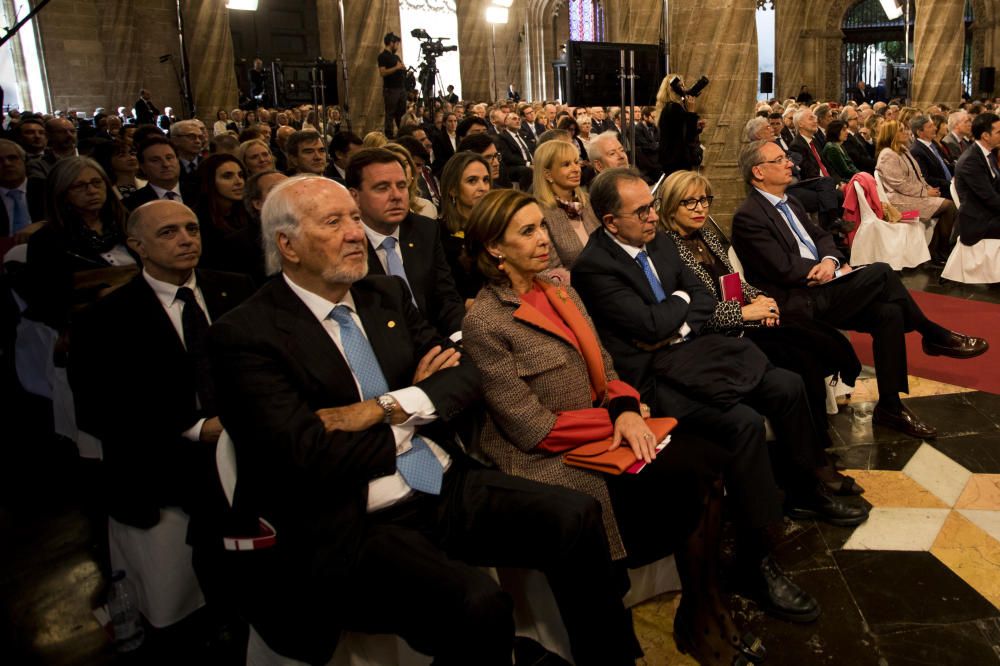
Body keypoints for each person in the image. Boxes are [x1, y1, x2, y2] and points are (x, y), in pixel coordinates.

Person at [206, 174, 640, 666]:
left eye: (353, 217)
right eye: (334, 222)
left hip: (439, 481)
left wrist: (385, 408)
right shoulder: (245, 334)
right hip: (357, 517)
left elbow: (465, 378)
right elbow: (306, 455)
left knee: (577, 515)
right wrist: (417, 403)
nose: (355, 233)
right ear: (287, 245)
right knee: (477, 604)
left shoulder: (384, 295)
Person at [461, 188, 767, 665]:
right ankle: (676, 621)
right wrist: (611, 423)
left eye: (542, 226)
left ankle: (703, 606)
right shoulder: (486, 321)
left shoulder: (558, 289)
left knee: (706, 461)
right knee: (670, 478)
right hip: (551, 459)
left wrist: (624, 409)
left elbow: (606, 366)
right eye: (527, 231)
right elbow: (529, 428)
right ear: (494, 248)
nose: (544, 238)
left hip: (607, 431)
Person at [570, 167, 834, 626]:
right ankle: (756, 559)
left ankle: (805, 484)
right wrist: (675, 314)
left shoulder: (660, 240)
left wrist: (676, 317)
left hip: (698, 352)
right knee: (743, 423)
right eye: (642, 211)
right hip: (655, 378)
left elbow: (701, 301)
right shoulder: (595, 265)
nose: (653, 217)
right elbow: (650, 328)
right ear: (611, 222)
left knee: (786, 383)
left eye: (652, 206)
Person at [69, 200, 255, 631]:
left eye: (192, 228)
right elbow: (99, 408)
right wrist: (193, 428)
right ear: (137, 245)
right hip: (168, 463)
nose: (187, 239)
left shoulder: (236, 288)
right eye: (169, 233)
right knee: (192, 598)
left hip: (246, 450)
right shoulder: (106, 319)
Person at [732, 140, 988, 439]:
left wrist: (829, 260)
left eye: (786, 157)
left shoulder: (791, 201)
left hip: (823, 286)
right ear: (758, 172)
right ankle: (933, 334)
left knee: (889, 312)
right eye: (780, 159)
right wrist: (827, 270)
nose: (790, 162)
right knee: (880, 271)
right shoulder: (749, 216)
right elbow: (781, 267)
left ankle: (890, 407)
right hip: (798, 302)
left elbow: (822, 235)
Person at [658, 169, 863, 494]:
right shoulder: (666, 249)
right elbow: (691, 313)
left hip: (742, 320)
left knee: (809, 340)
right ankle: (813, 464)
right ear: (670, 206)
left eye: (704, 200)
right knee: (799, 361)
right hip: (718, 337)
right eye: (690, 202)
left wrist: (759, 299)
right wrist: (743, 312)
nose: (700, 208)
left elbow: (733, 281)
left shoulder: (706, 235)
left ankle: (817, 453)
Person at [349, 148, 466, 337]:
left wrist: (459, 338)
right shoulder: (348, 243)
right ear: (354, 196)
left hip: (438, 341)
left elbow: (446, 297)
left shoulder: (424, 230)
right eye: (382, 188)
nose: (396, 195)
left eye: (402, 185)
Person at [25, 157, 134, 331]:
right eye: (79, 186)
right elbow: (46, 299)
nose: (91, 191)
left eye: (96, 183)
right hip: (89, 324)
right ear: (62, 193)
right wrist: (98, 294)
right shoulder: (47, 240)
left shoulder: (130, 224)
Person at [875, 119, 956, 264]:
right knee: (949, 206)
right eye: (901, 130)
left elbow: (918, 176)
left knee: (948, 206)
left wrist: (927, 188)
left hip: (910, 197)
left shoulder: (903, 150)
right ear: (891, 134)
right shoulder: (887, 155)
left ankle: (936, 249)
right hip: (898, 205)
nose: (906, 132)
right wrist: (924, 193)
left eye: (905, 129)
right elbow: (900, 184)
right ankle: (939, 251)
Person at [532, 139, 600, 269]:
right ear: (547, 174)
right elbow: (551, 270)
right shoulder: (539, 213)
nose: (576, 169)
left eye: (576, 162)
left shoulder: (587, 201)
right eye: (566, 164)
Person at [438, 151, 491, 304]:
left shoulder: (499, 226)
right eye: (472, 181)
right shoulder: (439, 235)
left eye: (486, 180)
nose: (483, 188)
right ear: (453, 189)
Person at [223, 170, 287, 285]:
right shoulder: (236, 245)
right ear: (258, 204)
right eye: (276, 189)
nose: (287, 193)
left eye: (289, 187)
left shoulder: (312, 232)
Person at [193, 154, 249, 270]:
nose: (239, 182)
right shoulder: (198, 220)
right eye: (227, 176)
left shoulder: (247, 213)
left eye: (240, 175)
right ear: (210, 181)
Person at [953, 111, 1000, 246]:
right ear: (985, 135)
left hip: (989, 213)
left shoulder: (987, 154)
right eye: (998, 132)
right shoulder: (971, 161)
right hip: (977, 222)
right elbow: (989, 197)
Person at [125, 136, 195, 210]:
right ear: (142, 167)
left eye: (169, 158)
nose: (166, 164)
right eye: (155, 160)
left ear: (178, 160)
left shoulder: (199, 193)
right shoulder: (131, 204)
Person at [654, 74, 702, 177]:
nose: (684, 88)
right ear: (672, 89)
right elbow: (687, 137)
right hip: (678, 161)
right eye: (681, 85)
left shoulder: (668, 107)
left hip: (671, 159)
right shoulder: (674, 108)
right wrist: (691, 112)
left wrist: (696, 126)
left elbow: (678, 131)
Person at [0, 139, 46, 242]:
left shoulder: (47, 188)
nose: (7, 164)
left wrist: (43, 224)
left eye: (12, 158)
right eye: (0, 160)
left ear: (24, 160)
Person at [909, 114, 954, 197]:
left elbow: (945, 165)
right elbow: (927, 179)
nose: (935, 128)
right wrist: (950, 184)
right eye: (930, 126)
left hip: (950, 184)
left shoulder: (933, 144)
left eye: (934, 125)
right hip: (940, 190)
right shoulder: (916, 151)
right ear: (919, 132)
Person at [378, 32, 407, 138]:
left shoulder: (396, 57)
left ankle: (402, 133)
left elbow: (401, 67)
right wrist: (397, 68)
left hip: (401, 88)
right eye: (397, 44)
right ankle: (389, 135)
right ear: (391, 43)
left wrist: (403, 68)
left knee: (402, 113)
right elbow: (382, 72)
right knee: (390, 113)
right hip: (391, 89)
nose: (398, 46)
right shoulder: (382, 56)